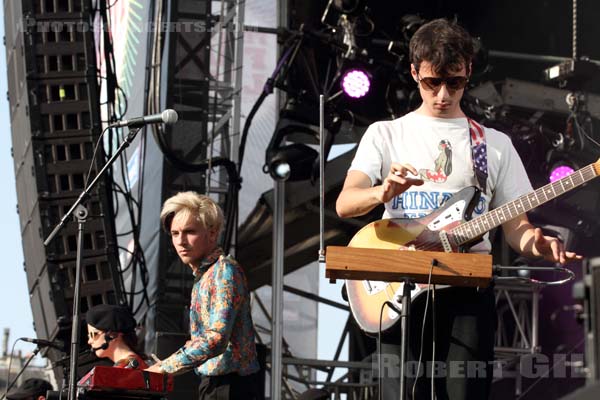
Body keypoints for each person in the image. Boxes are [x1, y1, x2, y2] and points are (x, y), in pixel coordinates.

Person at [335, 18, 581, 399]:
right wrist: (384, 191)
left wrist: (537, 243)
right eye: (432, 82)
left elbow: (515, 225)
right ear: (415, 72)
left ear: (468, 71)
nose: (443, 94)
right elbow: (346, 203)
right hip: (397, 282)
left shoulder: (494, 144)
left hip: (467, 285)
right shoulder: (385, 134)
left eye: (455, 82)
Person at [145, 192, 260, 400]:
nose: (181, 241)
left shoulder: (224, 271)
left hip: (231, 386)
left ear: (212, 234)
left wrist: (164, 368)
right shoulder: (205, 276)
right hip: (216, 384)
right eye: (174, 233)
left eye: (189, 232)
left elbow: (216, 338)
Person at [86, 304, 148, 369]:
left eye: (93, 334)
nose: (89, 341)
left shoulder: (126, 367)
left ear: (113, 335)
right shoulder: (131, 363)